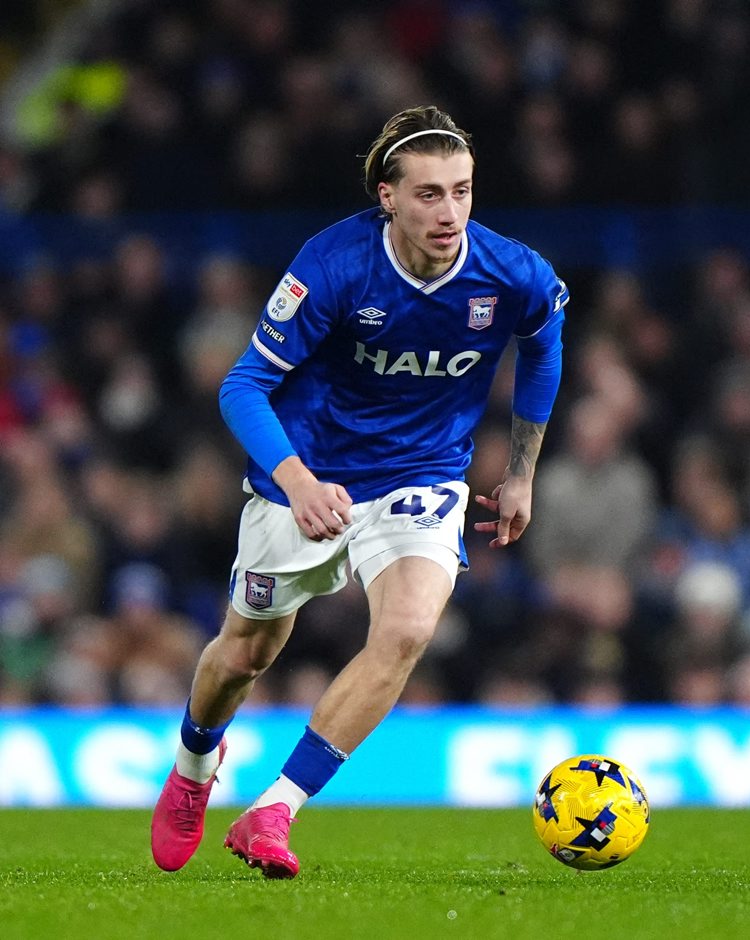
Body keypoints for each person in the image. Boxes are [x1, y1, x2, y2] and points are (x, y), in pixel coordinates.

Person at [150, 105, 568, 878]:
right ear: (388, 196)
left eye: (462, 191)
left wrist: (522, 472)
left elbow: (544, 348)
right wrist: (298, 481)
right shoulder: (334, 265)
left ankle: (274, 811)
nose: (449, 213)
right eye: (429, 194)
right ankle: (193, 768)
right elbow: (243, 386)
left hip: (423, 473)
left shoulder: (513, 274)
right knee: (245, 653)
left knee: (406, 632)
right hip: (311, 471)